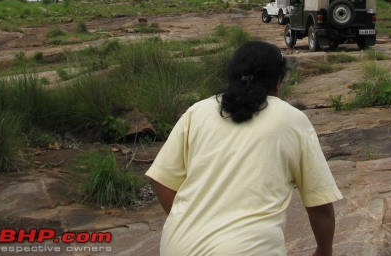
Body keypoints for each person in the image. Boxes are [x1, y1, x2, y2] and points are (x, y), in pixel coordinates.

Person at [146, 41, 343, 256]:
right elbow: (320, 205)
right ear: (279, 82)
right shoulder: (292, 120)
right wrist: (324, 251)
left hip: (178, 245)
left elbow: (161, 179)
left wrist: (187, 221)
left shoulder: (198, 112)